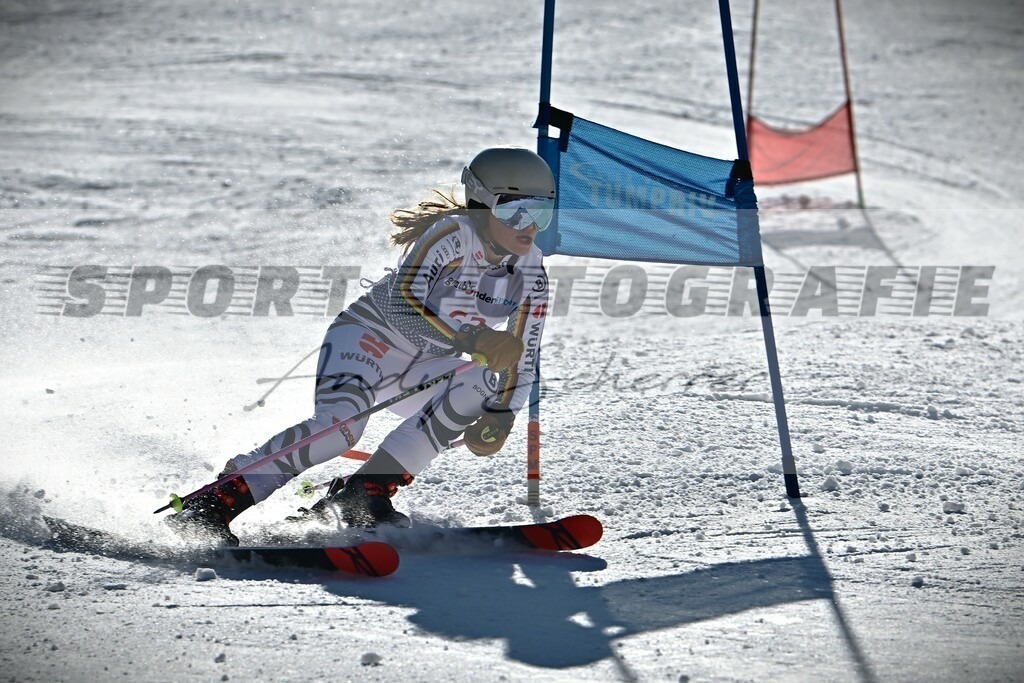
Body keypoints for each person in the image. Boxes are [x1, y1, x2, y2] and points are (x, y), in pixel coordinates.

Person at [166, 147, 553, 546]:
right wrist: (470, 337)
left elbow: (524, 359)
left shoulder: (532, 273)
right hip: (368, 343)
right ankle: (218, 501)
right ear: (479, 204)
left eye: (542, 212)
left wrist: (502, 417)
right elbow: (405, 298)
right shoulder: (454, 235)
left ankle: (364, 494)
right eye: (514, 210)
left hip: (423, 366)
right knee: (340, 431)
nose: (529, 225)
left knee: (483, 384)